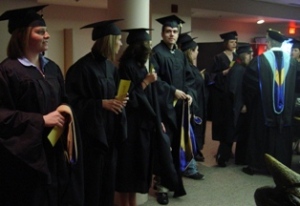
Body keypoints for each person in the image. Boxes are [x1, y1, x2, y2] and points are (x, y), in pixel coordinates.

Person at [0, 5, 83, 206]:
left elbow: (64, 98)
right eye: (40, 32)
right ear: (22, 36)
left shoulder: (52, 68)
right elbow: (2, 115)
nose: (47, 35)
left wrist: (66, 109)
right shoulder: (8, 71)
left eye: (46, 31)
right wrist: (41, 120)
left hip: (54, 150)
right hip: (26, 160)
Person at [65, 19, 127, 206]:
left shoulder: (111, 68)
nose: (121, 44)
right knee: (91, 185)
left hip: (109, 138)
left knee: (108, 184)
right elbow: (71, 103)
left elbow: (114, 98)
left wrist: (120, 101)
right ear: (108, 40)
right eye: (118, 40)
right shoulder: (81, 68)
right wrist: (100, 104)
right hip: (92, 139)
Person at [151, 14, 195, 205]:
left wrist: (189, 93)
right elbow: (154, 82)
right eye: (168, 31)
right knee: (164, 149)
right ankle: (161, 187)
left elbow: (189, 77)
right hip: (163, 109)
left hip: (179, 110)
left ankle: (176, 183)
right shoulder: (156, 53)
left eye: (175, 31)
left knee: (178, 147)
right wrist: (172, 91)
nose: (172, 34)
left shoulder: (179, 55)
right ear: (162, 33)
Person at [242, 29, 298, 175]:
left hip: (262, 111)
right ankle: (282, 165)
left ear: (270, 42)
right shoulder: (293, 63)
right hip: (285, 112)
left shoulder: (259, 61)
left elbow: (249, 86)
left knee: (260, 133)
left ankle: (258, 165)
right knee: (282, 135)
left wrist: (250, 103)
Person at [115, 28, 157, 206]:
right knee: (129, 168)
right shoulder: (127, 66)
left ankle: (132, 202)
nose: (149, 47)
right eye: (147, 44)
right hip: (130, 126)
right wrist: (146, 82)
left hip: (141, 125)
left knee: (138, 166)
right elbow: (126, 96)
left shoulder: (139, 65)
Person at [177, 32, 206, 180]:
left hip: (194, 106)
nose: (198, 52)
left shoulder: (190, 67)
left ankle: (190, 165)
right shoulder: (185, 67)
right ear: (190, 51)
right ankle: (189, 167)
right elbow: (188, 86)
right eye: (196, 49)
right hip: (188, 108)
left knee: (190, 138)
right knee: (187, 139)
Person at [210, 31, 238, 167]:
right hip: (222, 96)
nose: (234, 44)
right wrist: (223, 73)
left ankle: (229, 149)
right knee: (224, 123)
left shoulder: (238, 57)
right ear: (225, 43)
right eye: (231, 42)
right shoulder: (218, 57)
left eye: (235, 42)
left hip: (234, 95)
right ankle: (223, 150)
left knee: (233, 124)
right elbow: (212, 76)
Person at [226, 43, 253, 165]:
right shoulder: (238, 70)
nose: (251, 56)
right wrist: (242, 104)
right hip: (239, 106)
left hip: (238, 105)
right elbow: (235, 90)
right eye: (249, 54)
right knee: (239, 133)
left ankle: (239, 158)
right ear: (243, 55)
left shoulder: (239, 67)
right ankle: (238, 159)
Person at [290, 39, 300, 154]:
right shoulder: (290, 63)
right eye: (292, 50)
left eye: (295, 50)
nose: (293, 52)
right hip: (291, 96)